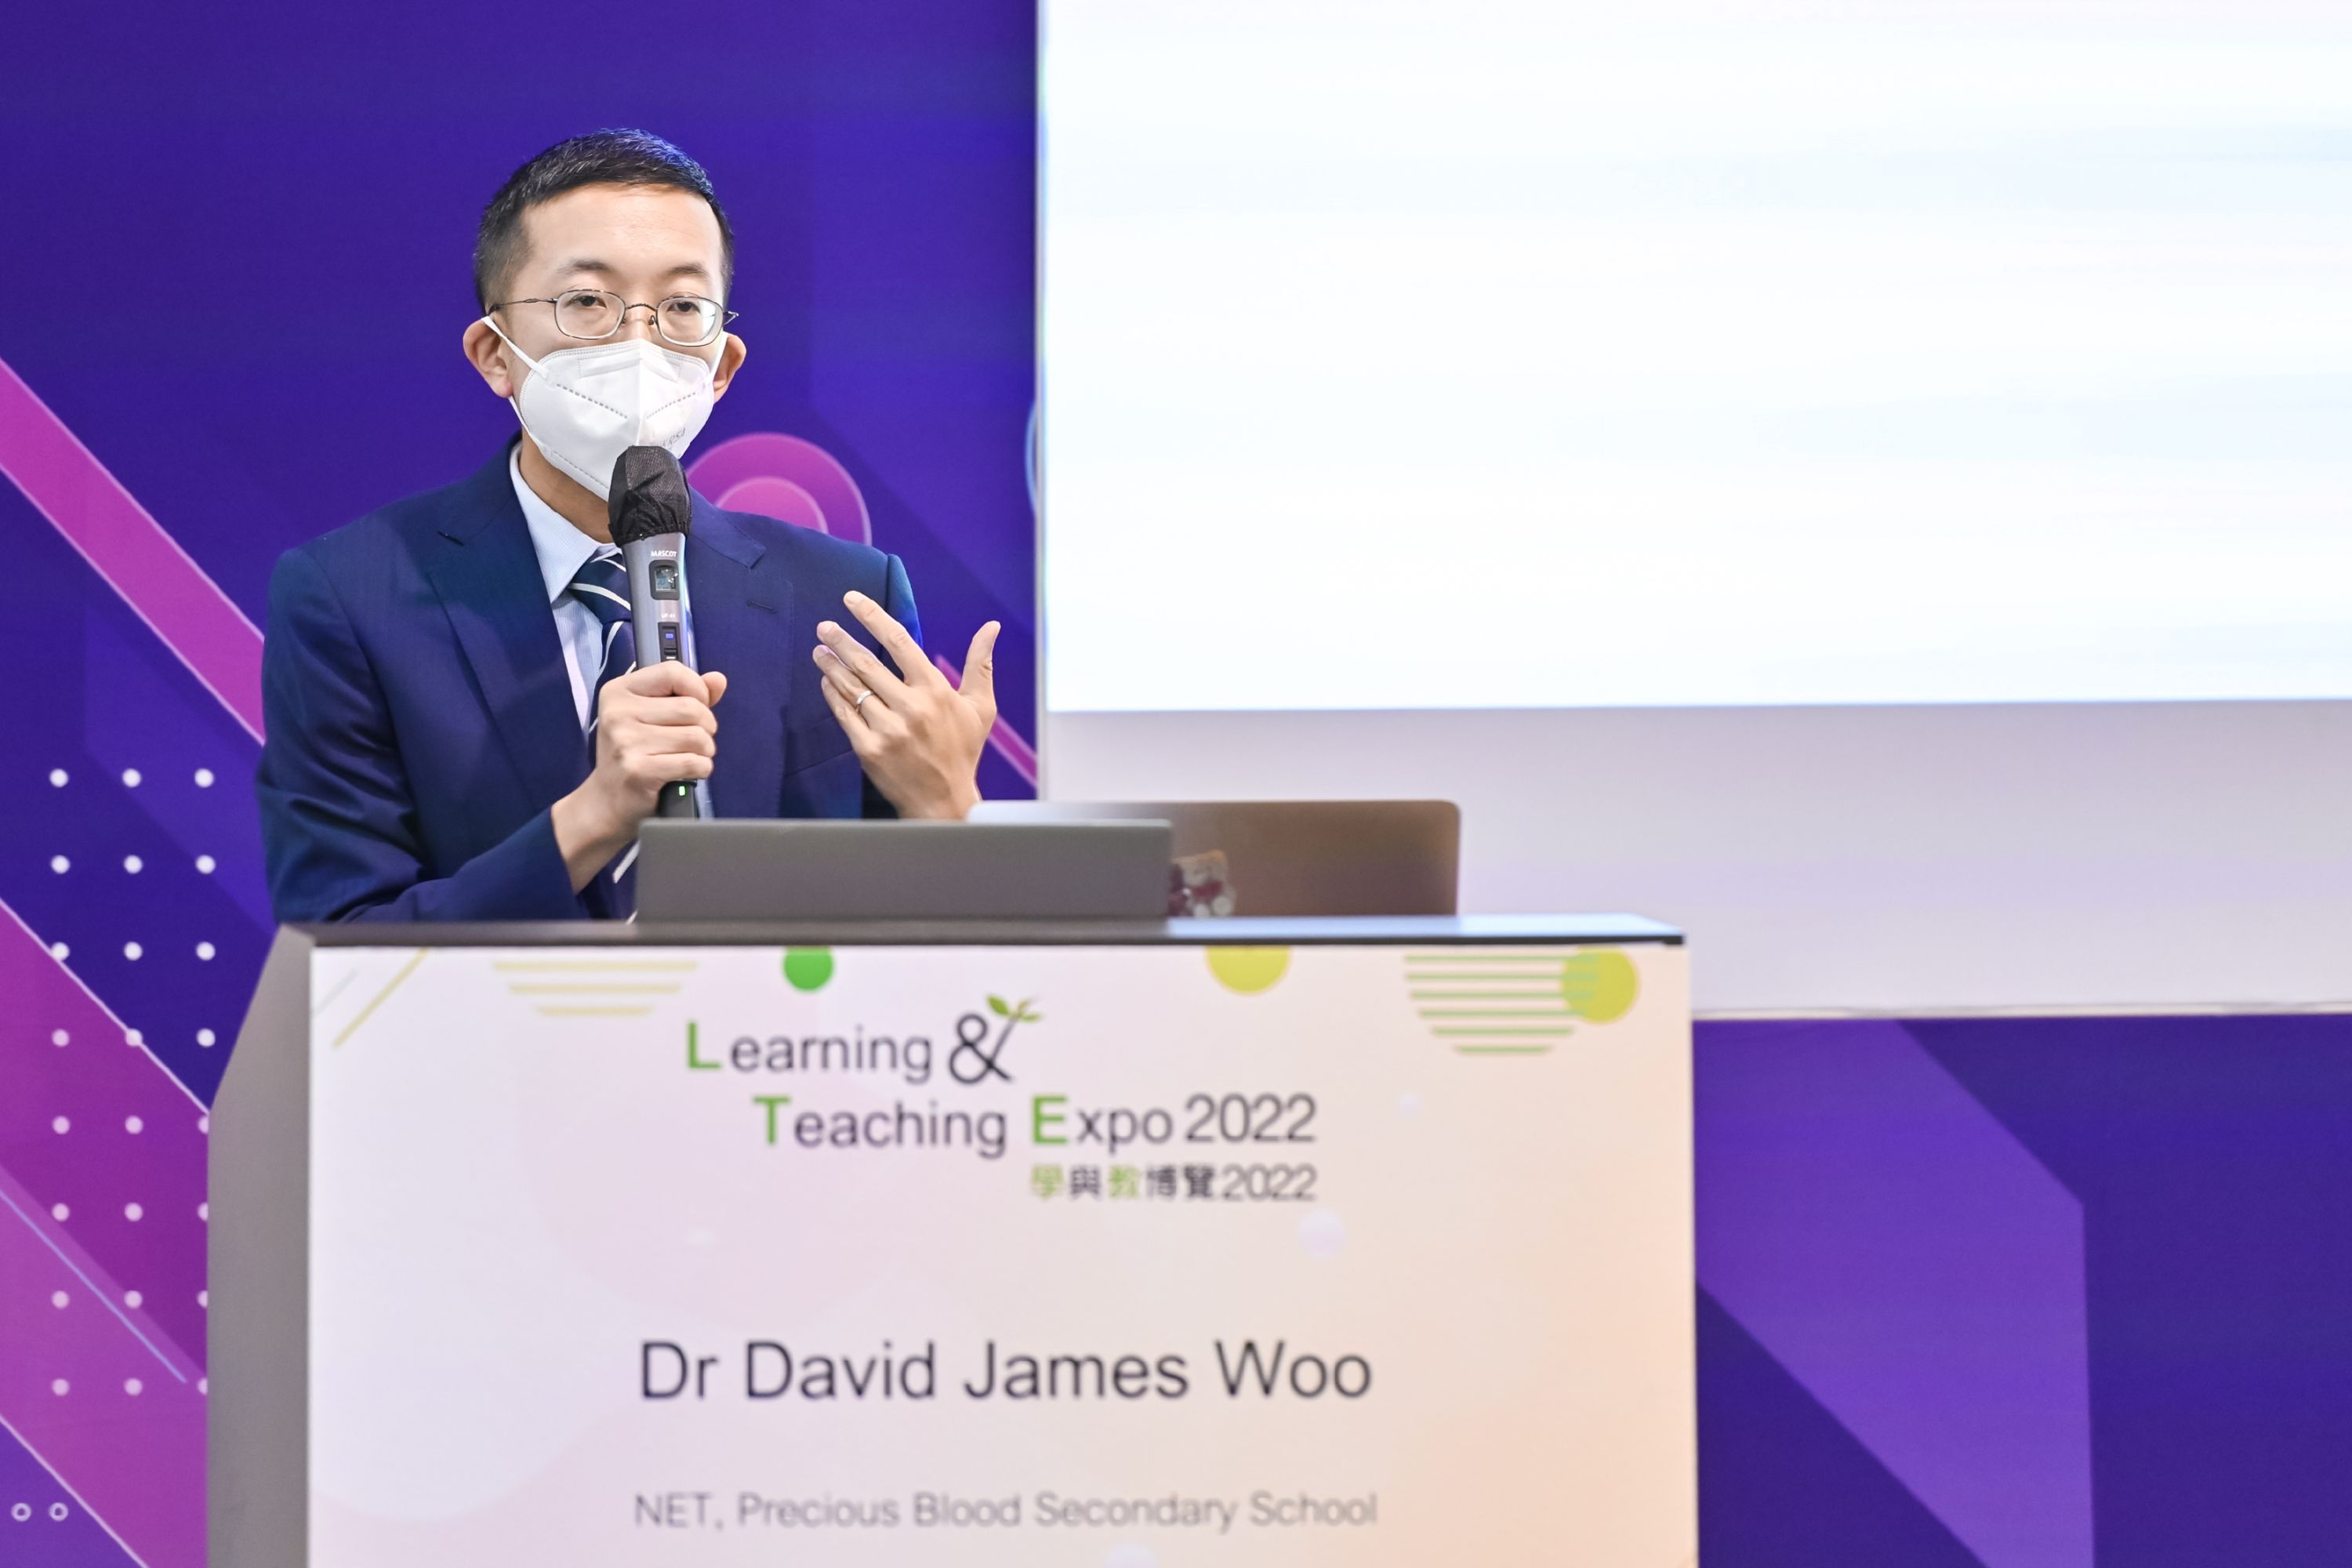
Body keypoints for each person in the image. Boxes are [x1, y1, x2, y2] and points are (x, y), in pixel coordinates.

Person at [256, 129, 996, 922]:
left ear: (722, 368)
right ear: (494, 354)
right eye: (588, 303)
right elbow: (340, 946)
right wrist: (594, 815)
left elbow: (921, 948)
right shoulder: (351, 598)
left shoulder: (845, 594)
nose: (639, 345)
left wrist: (947, 807)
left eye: (681, 308)